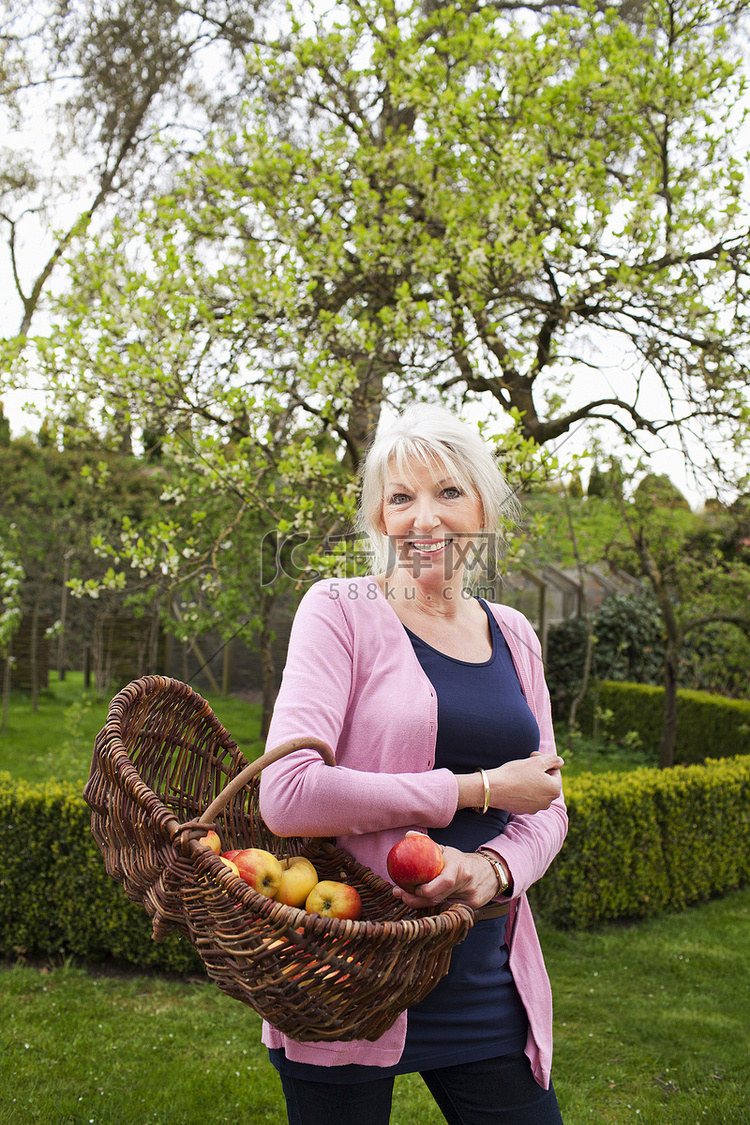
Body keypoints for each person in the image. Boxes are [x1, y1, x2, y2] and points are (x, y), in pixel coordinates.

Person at [259, 403, 567, 1125]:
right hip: (345, 971)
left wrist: (487, 870)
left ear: (484, 505)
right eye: (401, 497)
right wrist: (475, 789)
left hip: (485, 977)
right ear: (378, 518)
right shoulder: (338, 610)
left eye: (448, 491)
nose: (423, 517)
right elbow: (288, 793)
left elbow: (546, 803)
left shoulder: (515, 634)